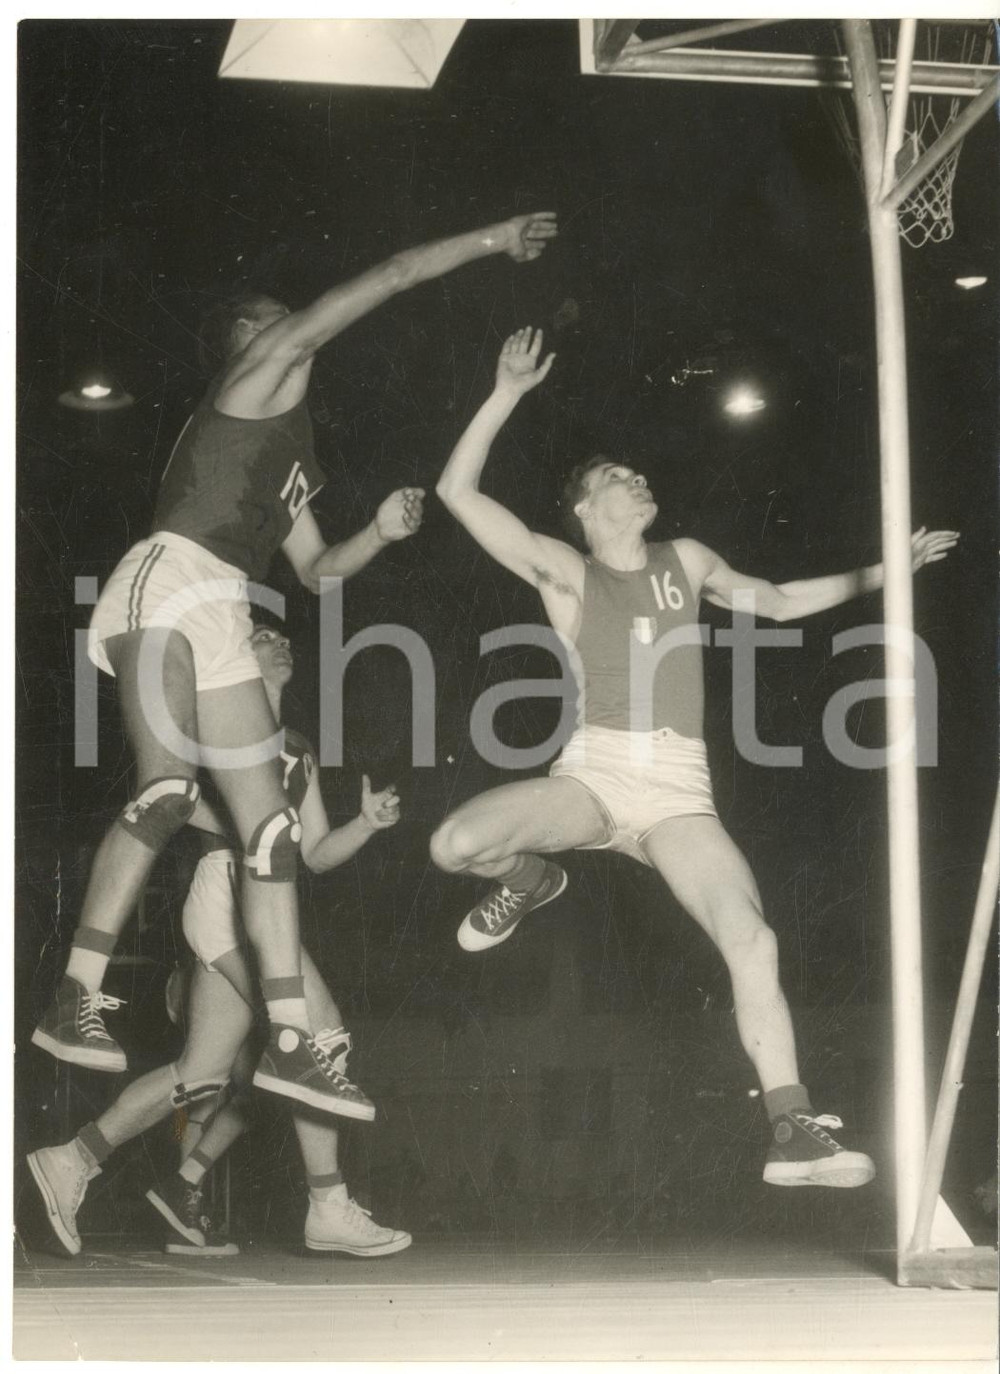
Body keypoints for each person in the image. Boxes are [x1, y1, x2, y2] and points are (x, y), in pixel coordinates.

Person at [32, 212, 559, 1117]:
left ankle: (288, 1041)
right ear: (246, 343)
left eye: (289, 319)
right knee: (164, 795)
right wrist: (492, 241)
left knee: (272, 834)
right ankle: (74, 993)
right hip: (166, 576)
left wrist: (379, 535)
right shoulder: (248, 383)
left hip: (227, 604)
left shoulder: (294, 448)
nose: (291, 330)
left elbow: (316, 571)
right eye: (270, 320)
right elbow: (393, 269)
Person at [431, 327, 959, 1188]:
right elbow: (457, 490)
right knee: (453, 846)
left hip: (678, 793)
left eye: (638, 475)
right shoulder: (565, 572)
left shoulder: (689, 560)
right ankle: (529, 882)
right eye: (615, 479)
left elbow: (781, 602)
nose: (637, 481)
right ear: (584, 510)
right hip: (595, 777)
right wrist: (506, 393)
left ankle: (794, 1130)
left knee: (751, 938)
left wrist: (883, 573)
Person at [28, 622, 412, 1259]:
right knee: (321, 1036)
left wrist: (365, 825)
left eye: (287, 637)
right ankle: (328, 1203)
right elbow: (183, 805)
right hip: (225, 891)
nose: (280, 641)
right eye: (262, 634)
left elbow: (313, 853)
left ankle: (71, 1159)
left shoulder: (299, 749)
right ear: (234, 654)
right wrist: (250, 816)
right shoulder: (215, 733)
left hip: (259, 904)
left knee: (200, 1072)